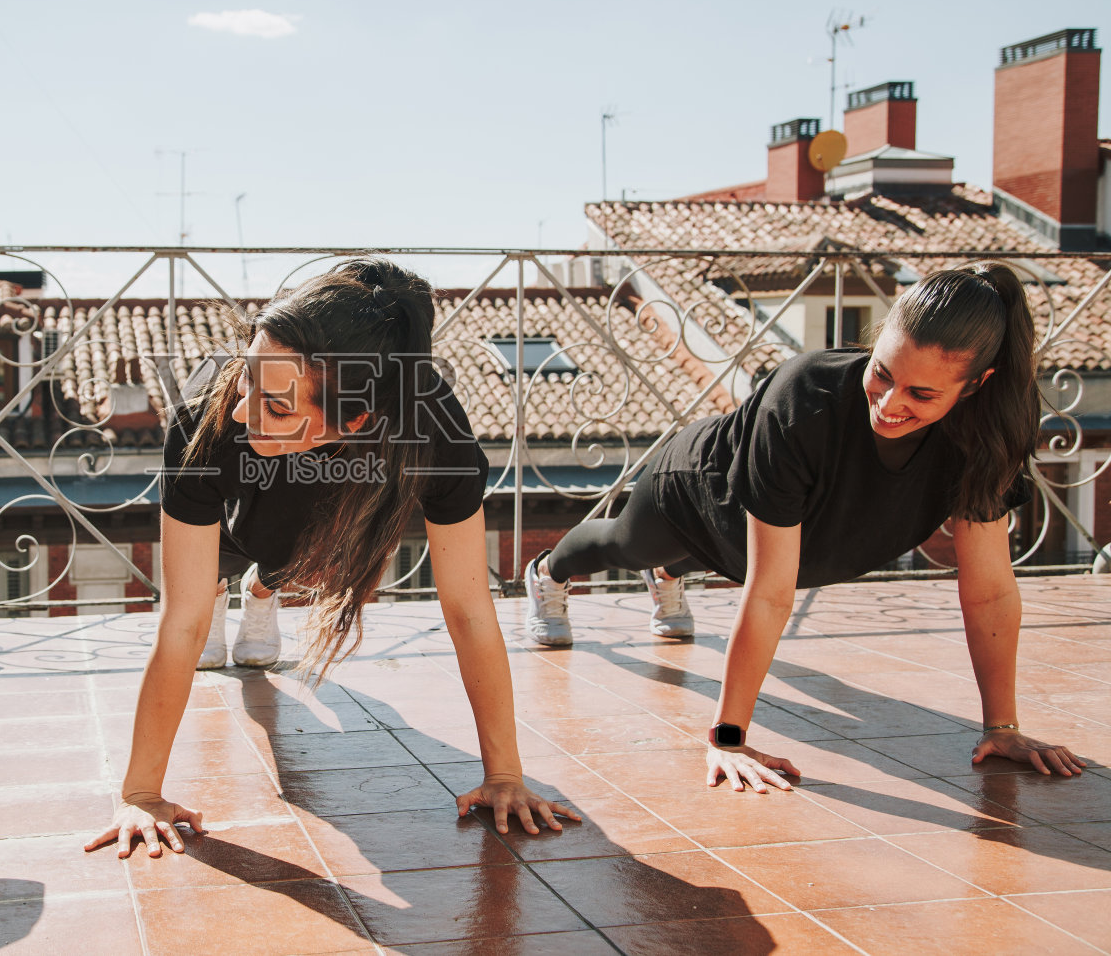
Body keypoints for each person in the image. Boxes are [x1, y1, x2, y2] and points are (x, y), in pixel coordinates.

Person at [523, 262, 1086, 790]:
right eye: (882, 373)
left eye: (921, 394)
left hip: (782, 539)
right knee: (626, 545)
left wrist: (1002, 728)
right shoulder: (805, 398)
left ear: (977, 385)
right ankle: (548, 573)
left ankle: (671, 575)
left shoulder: (986, 439)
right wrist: (728, 739)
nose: (889, 404)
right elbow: (770, 593)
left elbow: (987, 591)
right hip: (700, 492)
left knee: (725, 560)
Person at [86, 257, 579, 857]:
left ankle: (261, 592)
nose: (244, 410)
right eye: (247, 377)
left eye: (276, 405)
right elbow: (179, 619)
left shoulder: (436, 435)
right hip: (244, 513)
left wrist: (504, 776)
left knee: (299, 564)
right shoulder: (210, 420)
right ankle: (234, 586)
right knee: (214, 575)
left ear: (358, 418)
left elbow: (470, 609)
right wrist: (140, 791)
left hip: (334, 513)